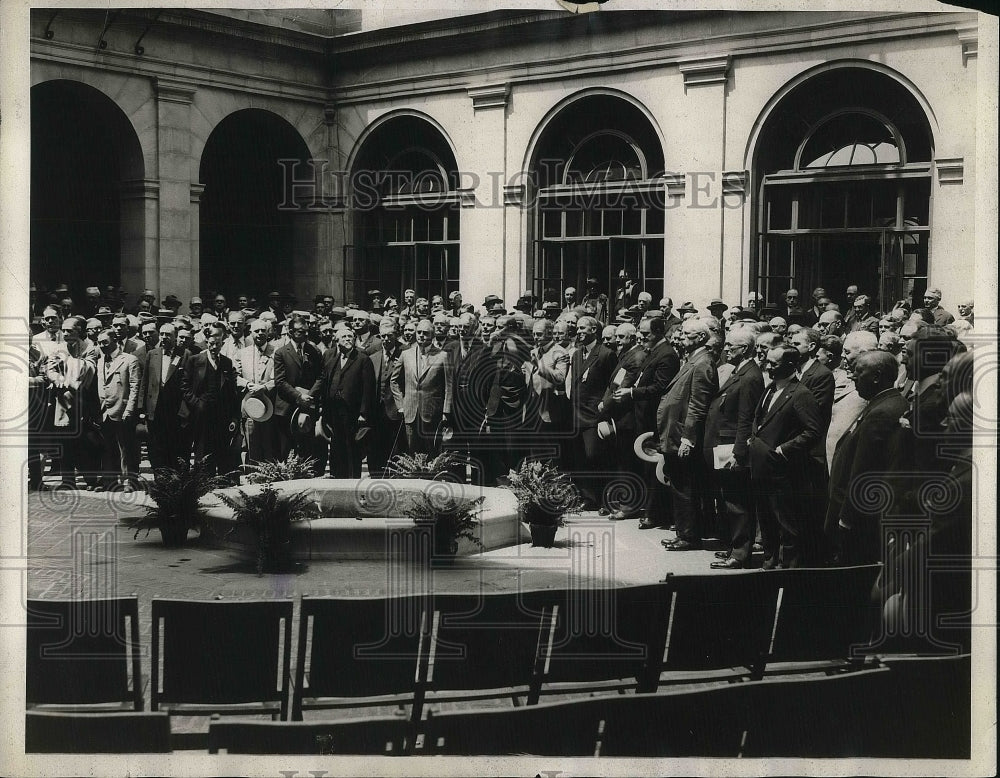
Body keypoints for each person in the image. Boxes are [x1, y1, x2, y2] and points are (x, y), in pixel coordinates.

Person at [825, 351, 908, 565]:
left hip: (858, 521)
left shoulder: (881, 412)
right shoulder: (886, 403)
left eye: (858, 372)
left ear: (877, 376)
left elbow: (864, 472)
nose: (852, 376)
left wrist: (847, 518)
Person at [748, 344, 823, 568]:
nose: (767, 365)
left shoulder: (800, 394)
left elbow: (812, 431)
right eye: (767, 361)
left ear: (790, 365)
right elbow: (759, 419)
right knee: (767, 520)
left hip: (783, 471)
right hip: (761, 468)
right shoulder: (770, 388)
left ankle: (788, 567)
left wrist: (783, 449)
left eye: (774, 363)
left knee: (786, 523)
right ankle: (769, 562)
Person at [705, 327, 765, 568]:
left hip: (732, 446)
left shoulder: (750, 376)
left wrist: (739, 454)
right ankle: (735, 546)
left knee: (737, 501)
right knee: (729, 499)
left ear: (746, 349)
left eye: (732, 346)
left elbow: (746, 418)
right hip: (724, 443)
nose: (727, 349)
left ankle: (740, 553)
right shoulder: (740, 371)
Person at [658, 318, 719, 551]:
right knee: (679, 485)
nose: (681, 338)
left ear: (701, 338)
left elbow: (698, 404)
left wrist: (688, 438)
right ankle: (684, 531)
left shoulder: (703, 363)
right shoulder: (693, 359)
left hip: (684, 435)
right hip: (675, 432)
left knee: (685, 488)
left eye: (686, 334)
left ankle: (688, 535)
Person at [310, 324, 376, 479]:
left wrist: (363, 413)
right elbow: (325, 381)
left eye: (350, 337)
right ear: (336, 340)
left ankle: (352, 481)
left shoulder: (362, 359)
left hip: (352, 413)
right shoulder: (332, 358)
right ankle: (336, 478)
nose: (348, 339)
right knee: (336, 448)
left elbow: (368, 389)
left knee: (352, 448)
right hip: (333, 413)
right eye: (344, 337)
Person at [567, 315, 619, 511]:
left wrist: (604, 410)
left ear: (593, 331)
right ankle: (587, 498)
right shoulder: (576, 354)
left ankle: (606, 500)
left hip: (594, 416)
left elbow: (612, 385)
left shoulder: (606, 354)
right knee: (580, 459)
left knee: (596, 458)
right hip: (576, 415)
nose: (579, 332)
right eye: (578, 329)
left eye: (583, 329)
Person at [46, 317, 102, 489]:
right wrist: (57, 378)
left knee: (85, 442)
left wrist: (66, 363)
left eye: (70, 330)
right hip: (63, 402)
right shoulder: (59, 348)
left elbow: (88, 371)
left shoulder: (91, 348)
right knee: (64, 441)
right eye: (64, 330)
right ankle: (67, 480)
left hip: (84, 402)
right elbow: (50, 368)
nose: (66, 333)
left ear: (81, 331)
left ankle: (91, 479)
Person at [181, 322, 241, 480]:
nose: (215, 347)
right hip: (201, 415)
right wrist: (197, 405)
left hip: (221, 416)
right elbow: (185, 388)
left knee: (221, 449)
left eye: (218, 344)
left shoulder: (227, 362)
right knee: (202, 450)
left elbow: (231, 391)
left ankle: (222, 483)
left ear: (222, 343)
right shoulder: (195, 360)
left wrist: (233, 415)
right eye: (212, 344)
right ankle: (203, 483)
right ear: (207, 342)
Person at [393, 319, 453, 456]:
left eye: (425, 333)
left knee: (431, 451)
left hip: (432, 412)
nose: (421, 335)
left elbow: (449, 385)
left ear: (432, 335)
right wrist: (400, 405)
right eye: (419, 332)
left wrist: (446, 410)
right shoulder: (406, 354)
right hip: (410, 412)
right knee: (411, 451)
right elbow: (394, 380)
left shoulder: (443, 356)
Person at [273, 314, 326, 471]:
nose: (305, 335)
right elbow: (280, 381)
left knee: (306, 450)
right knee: (286, 450)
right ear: (290, 331)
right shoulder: (281, 353)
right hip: (287, 407)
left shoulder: (314, 351)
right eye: (300, 332)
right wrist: (298, 396)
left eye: (306, 331)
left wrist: (310, 395)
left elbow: (321, 376)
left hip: (308, 406)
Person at [94, 329, 141, 492]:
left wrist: (129, 409)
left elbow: (135, 387)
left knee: (125, 449)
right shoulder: (100, 361)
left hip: (122, 409)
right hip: (104, 411)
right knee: (107, 448)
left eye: (105, 342)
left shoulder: (129, 360)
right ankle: (110, 482)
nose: (101, 345)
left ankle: (129, 482)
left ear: (115, 340)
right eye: (99, 342)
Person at [140, 323, 191, 471]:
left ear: (175, 337)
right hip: (155, 408)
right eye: (162, 334)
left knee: (175, 446)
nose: (164, 337)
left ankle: (175, 479)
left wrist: (185, 411)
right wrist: (141, 408)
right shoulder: (152, 354)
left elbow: (188, 384)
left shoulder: (185, 354)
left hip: (175, 410)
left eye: (168, 334)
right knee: (156, 446)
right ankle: (159, 478)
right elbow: (145, 382)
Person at [233, 319, 277, 465]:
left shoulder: (276, 352)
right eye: (256, 331)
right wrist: (247, 384)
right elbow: (235, 376)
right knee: (251, 443)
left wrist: (265, 387)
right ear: (250, 333)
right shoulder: (242, 353)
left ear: (268, 333)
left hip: (270, 406)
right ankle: (252, 478)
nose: (259, 334)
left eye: (262, 331)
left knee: (269, 443)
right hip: (249, 405)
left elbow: (280, 378)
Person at [367, 317, 406, 478]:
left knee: (396, 449)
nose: (386, 339)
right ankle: (376, 478)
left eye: (390, 335)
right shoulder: (372, 354)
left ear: (396, 335)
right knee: (375, 449)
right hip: (376, 411)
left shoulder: (405, 352)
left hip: (395, 410)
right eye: (383, 336)